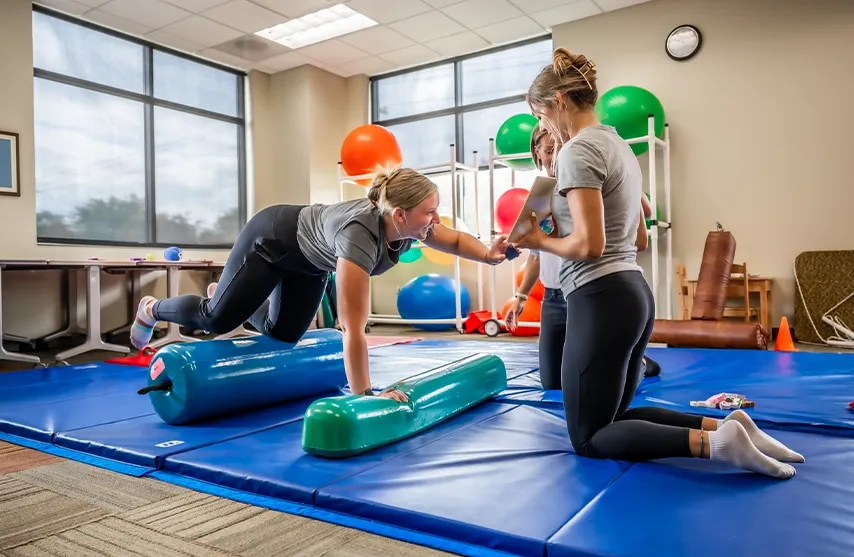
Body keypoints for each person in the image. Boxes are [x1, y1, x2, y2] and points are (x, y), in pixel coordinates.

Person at [513, 47, 803, 478]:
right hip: (633, 292)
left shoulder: (577, 151)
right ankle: (727, 424)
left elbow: (590, 246)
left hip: (599, 296)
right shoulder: (618, 146)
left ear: (557, 103)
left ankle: (716, 444)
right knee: (615, 415)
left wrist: (537, 239)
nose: (543, 127)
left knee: (589, 437)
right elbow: (637, 236)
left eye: (540, 116)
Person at [130, 167, 510, 402]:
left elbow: (456, 240)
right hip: (272, 241)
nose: (435, 219)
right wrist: (366, 395)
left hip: (309, 262)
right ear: (400, 213)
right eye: (429, 212)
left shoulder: (411, 227)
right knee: (214, 320)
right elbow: (353, 327)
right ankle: (151, 309)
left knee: (284, 334)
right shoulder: (359, 234)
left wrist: (490, 255)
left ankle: (228, 294)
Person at [505, 127, 661, 389]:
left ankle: (636, 362)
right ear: (537, 153)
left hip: (585, 289)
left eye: (559, 147)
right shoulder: (541, 195)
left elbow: (639, 234)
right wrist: (520, 296)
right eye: (548, 150)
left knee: (587, 379)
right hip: (554, 297)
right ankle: (626, 358)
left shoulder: (585, 183)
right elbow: (536, 255)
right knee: (552, 382)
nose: (555, 156)